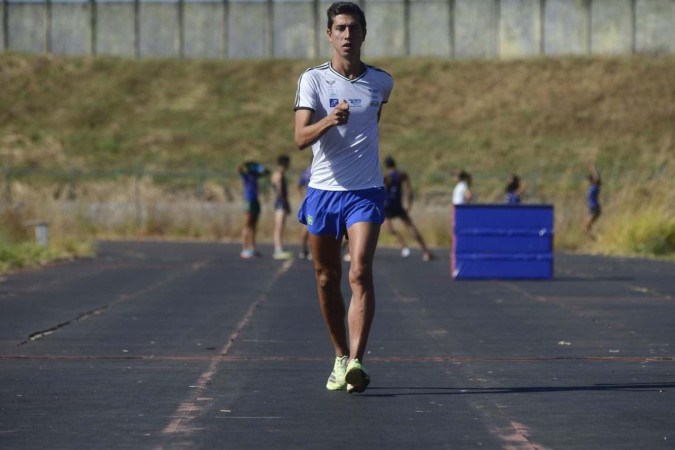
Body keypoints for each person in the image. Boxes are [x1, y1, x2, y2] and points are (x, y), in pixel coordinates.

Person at [294, 1, 393, 393]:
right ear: (329, 34)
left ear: (364, 34)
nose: (347, 35)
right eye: (340, 28)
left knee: (358, 271)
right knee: (326, 277)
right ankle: (339, 356)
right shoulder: (312, 81)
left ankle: (356, 362)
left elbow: (371, 123)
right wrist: (329, 121)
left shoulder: (381, 83)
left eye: (354, 28)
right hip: (323, 191)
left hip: (365, 192)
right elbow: (300, 139)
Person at [382, 156, 434, 261]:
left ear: (386, 166)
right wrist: (408, 204)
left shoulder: (387, 177)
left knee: (390, 229)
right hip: (398, 205)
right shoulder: (402, 175)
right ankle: (426, 251)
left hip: (388, 205)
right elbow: (409, 190)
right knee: (410, 227)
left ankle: (403, 245)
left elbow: (381, 191)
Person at [238, 161, 269, 259]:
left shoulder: (256, 175)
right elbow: (239, 168)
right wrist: (248, 164)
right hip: (248, 201)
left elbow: (267, 172)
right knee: (247, 225)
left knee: (254, 226)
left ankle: (252, 248)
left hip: (255, 201)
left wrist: (259, 166)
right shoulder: (246, 175)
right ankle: (244, 248)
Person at [271, 155, 293, 260]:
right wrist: (286, 203)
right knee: (279, 226)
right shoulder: (278, 175)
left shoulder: (279, 174)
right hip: (280, 203)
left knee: (280, 226)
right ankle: (278, 249)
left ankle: (279, 247)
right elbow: (280, 192)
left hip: (280, 203)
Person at [297, 165, 312, 260]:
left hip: (308, 200)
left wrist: (303, 196)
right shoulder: (316, 169)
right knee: (311, 226)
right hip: (313, 201)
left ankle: (303, 249)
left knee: (306, 225)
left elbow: (298, 185)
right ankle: (310, 251)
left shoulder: (305, 171)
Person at [585, 163, 602, 234]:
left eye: (590, 179)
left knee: (587, 226)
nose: (589, 181)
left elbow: (597, 178)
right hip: (592, 208)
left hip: (594, 207)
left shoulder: (595, 186)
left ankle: (597, 238)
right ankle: (596, 237)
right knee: (587, 226)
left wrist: (593, 169)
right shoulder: (591, 187)